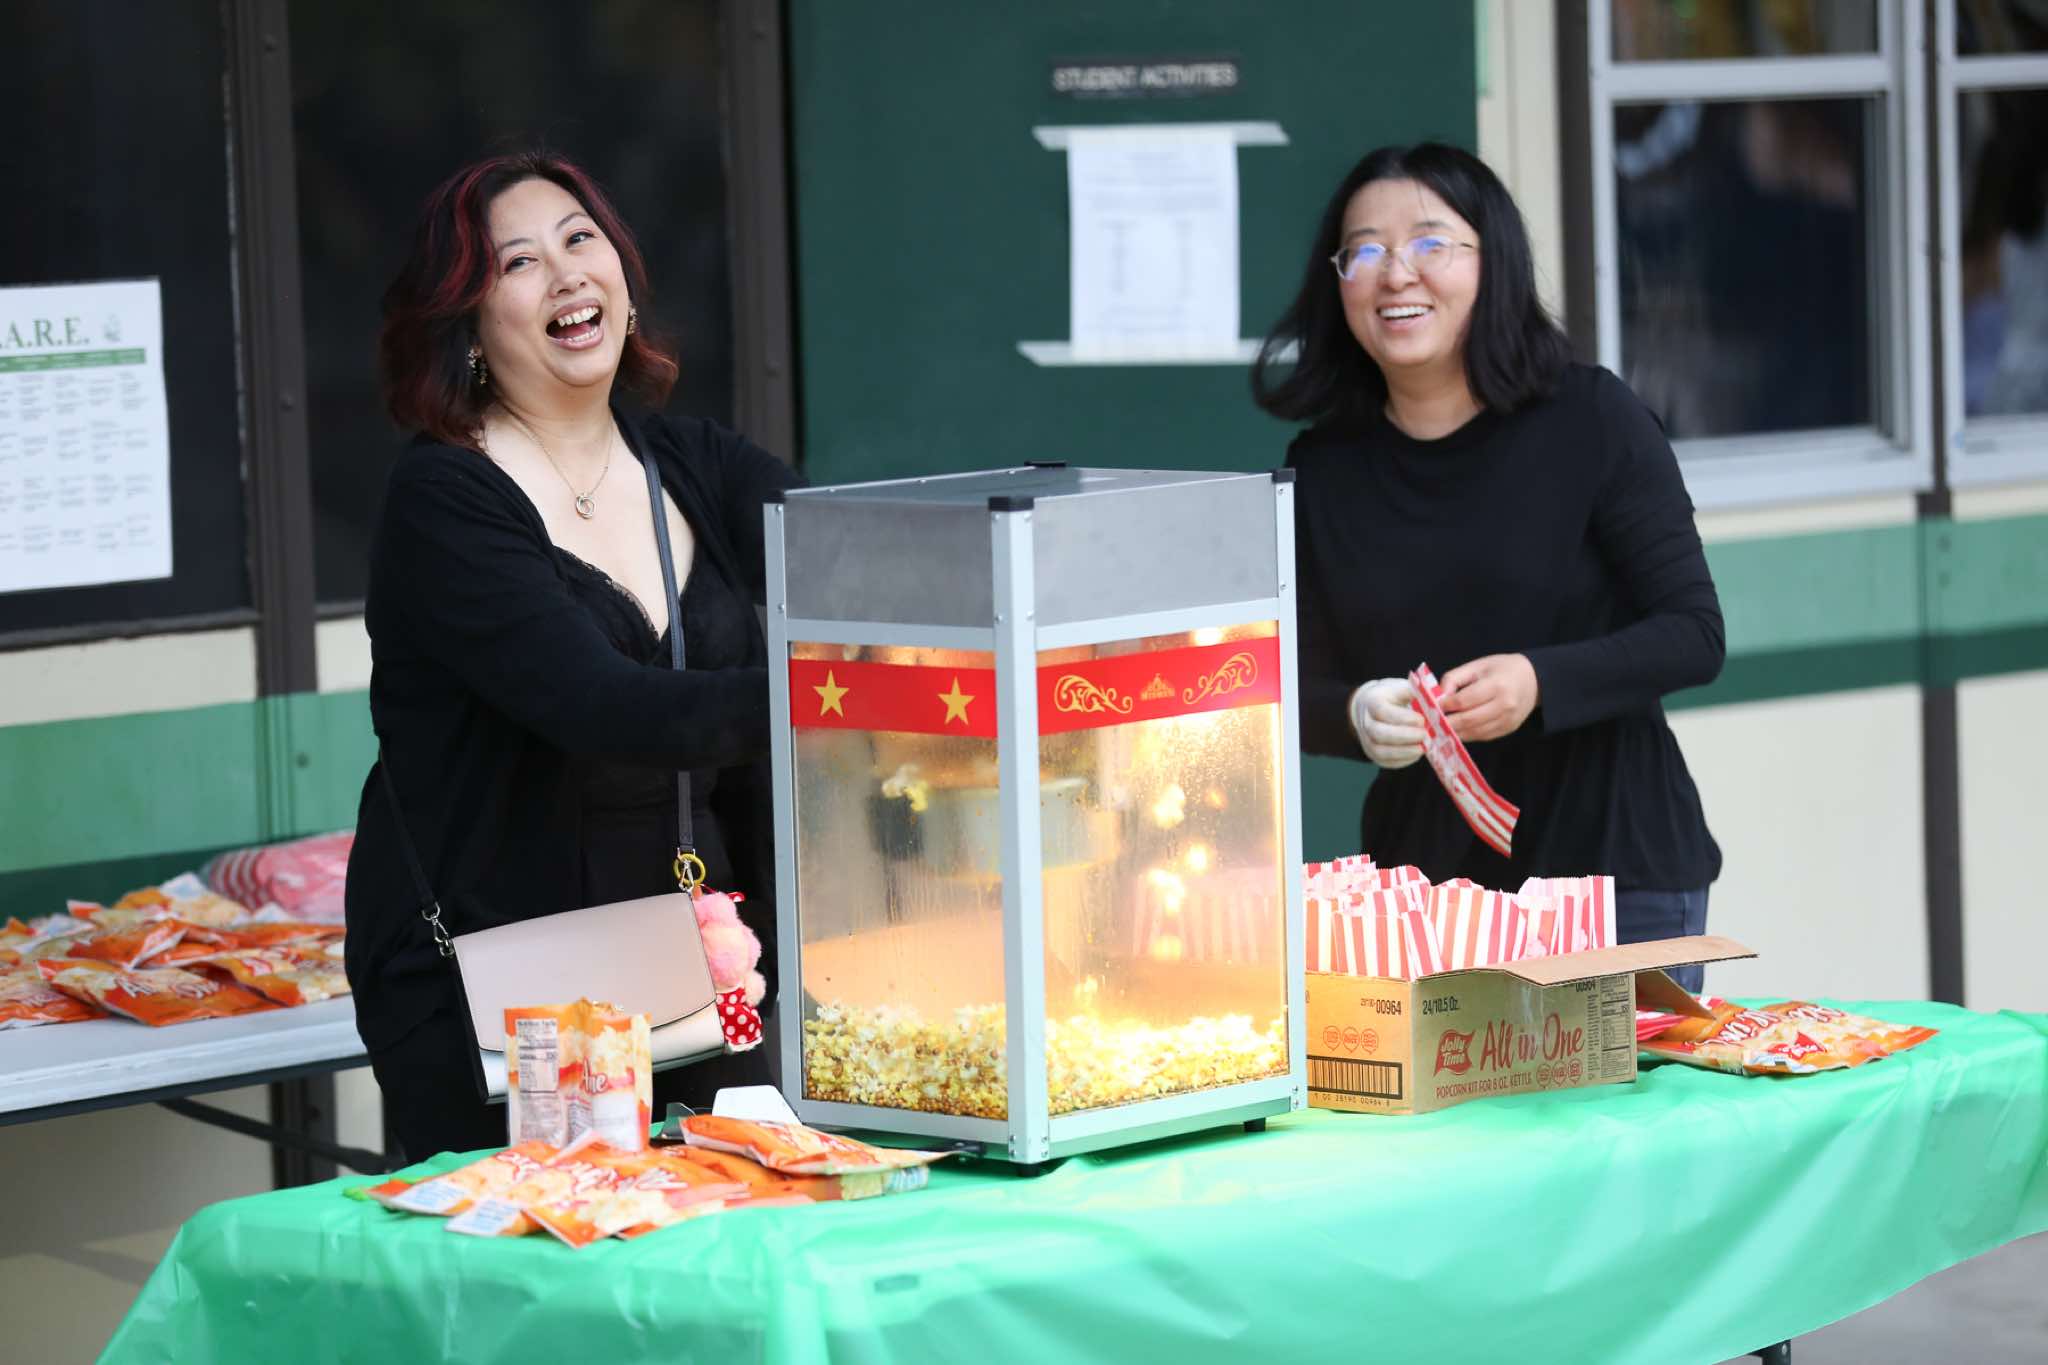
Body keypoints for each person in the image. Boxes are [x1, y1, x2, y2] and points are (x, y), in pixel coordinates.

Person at [344, 150, 801, 1162]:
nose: (565, 275)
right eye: (519, 262)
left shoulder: (698, 462)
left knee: (733, 1223)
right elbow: (603, 705)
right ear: (467, 324)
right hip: (513, 989)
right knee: (557, 1247)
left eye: (580, 239)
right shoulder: (443, 500)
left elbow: (858, 560)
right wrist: (828, 694)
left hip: (707, 965)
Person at [1253, 143, 1724, 986]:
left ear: (1492, 261)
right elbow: (1289, 686)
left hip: (1617, 873)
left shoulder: (1591, 417)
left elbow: (1693, 634)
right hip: (1425, 892)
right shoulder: (1324, 467)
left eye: (1430, 243)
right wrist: (1355, 713)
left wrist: (1540, 681)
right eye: (1364, 250)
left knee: (1619, 1084)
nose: (1396, 273)